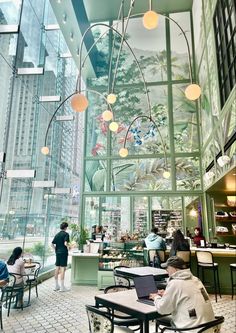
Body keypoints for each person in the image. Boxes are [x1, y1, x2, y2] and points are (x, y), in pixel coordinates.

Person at [149, 256, 215, 331]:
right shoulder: (195, 279)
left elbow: (163, 309)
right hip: (208, 327)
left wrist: (156, 297)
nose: (166, 270)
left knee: (166, 319)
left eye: (167, 268)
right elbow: (187, 294)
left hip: (191, 329)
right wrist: (167, 294)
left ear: (174, 269)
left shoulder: (175, 283)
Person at [52, 222, 70, 292]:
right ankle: (62, 287)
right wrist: (69, 247)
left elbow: (52, 244)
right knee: (62, 268)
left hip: (58, 253)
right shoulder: (66, 234)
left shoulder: (57, 234)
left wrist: (55, 250)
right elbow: (65, 243)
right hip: (63, 253)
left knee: (57, 268)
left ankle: (56, 285)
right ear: (65, 227)